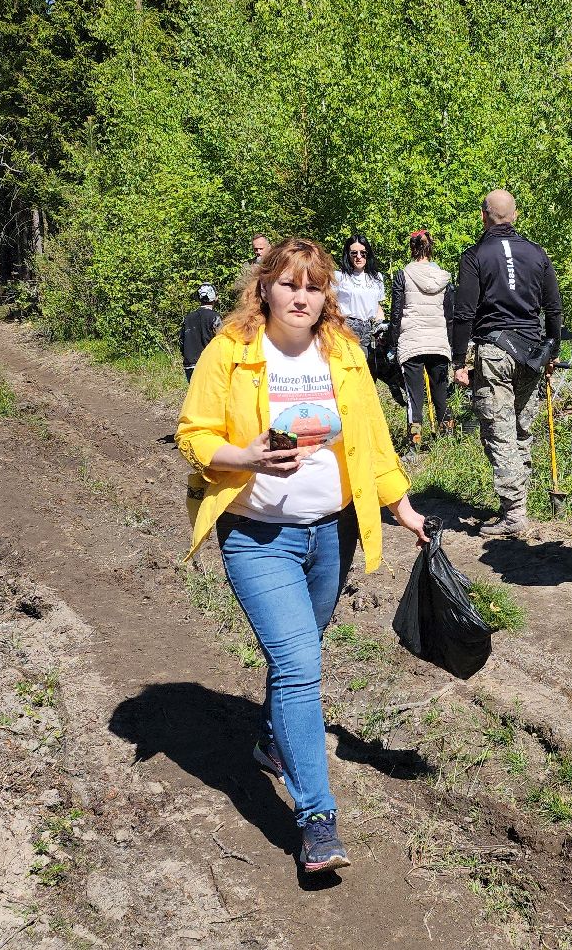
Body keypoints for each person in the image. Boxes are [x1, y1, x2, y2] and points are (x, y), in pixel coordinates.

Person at [175, 237, 430, 875]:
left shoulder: (342, 352)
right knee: (297, 663)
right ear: (264, 288)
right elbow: (193, 435)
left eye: (313, 287)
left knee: (300, 651)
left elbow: (371, 437)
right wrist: (248, 455)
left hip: (330, 534)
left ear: (326, 297)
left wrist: (399, 504)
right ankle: (317, 820)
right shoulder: (230, 352)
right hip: (257, 534)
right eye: (289, 284)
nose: (301, 296)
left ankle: (270, 740)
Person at [449, 189, 563, 538]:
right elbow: (554, 307)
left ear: (484, 216)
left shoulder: (475, 256)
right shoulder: (536, 253)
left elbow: (464, 313)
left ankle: (514, 513)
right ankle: (518, 504)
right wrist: (552, 350)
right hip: (530, 351)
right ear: (514, 216)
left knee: (499, 432)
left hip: (495, 352)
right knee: (520, 429)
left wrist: (457, 361)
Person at [386, 230, 454, 448]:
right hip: (439, 342)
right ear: (431, 248)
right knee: (441, 394)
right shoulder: (443, 277)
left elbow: (396, 314)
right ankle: (449, 441)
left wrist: (392, 344)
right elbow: (450, 315)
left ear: (411, 248)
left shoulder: (402, 275)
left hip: (411, 342)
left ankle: (414, 444)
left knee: (415, 398)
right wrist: (451, 344)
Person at [179, 283, 221, 383]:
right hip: (208, 365)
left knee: (195, 397)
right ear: (215, 298)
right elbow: (221, 342)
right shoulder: (215, 317)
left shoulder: (188, 318)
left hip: (190, 365)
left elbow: (181, 342)